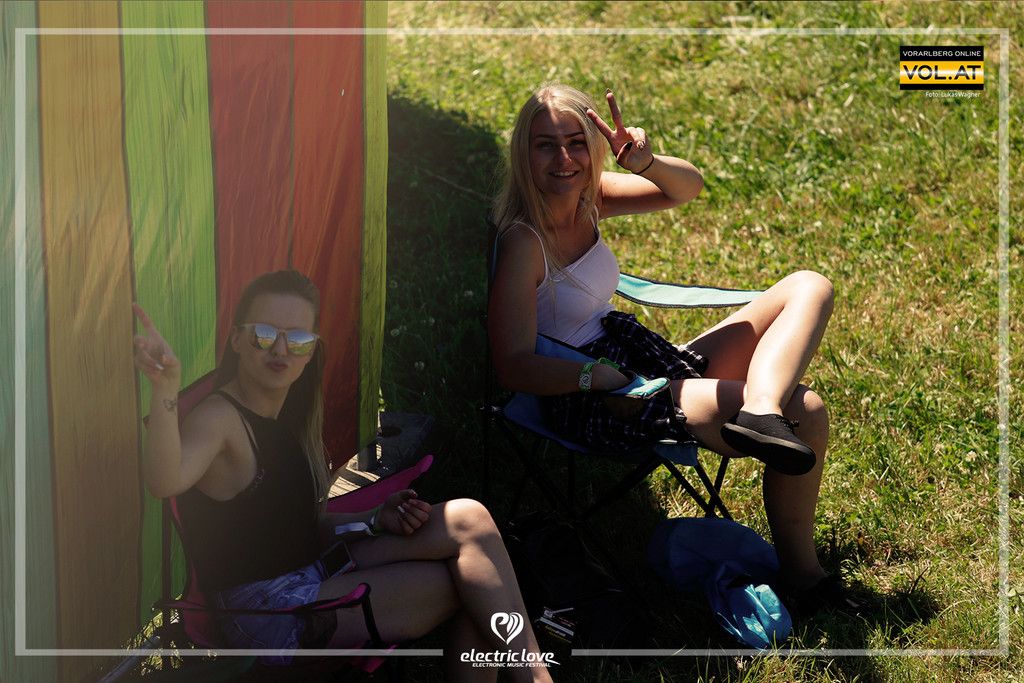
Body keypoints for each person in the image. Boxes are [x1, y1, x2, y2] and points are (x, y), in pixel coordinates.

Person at [488, 83, 851, 611]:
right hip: (593, 391)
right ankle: (804, 575)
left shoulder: (590, 197)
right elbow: (513, 365)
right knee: (809, 410)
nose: (564, 159)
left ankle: (761, 409)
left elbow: (686, 189)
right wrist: (592, 376)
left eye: (575, 142)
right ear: (524, 153)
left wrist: (647, 163)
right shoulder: (524, 242)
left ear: (593, 146)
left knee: (808, 285)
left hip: (636, 356)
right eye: (546, 145)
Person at [134, 270, 553, 682]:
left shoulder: (285, 415)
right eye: (264, 334)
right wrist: (165, 388)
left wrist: (374, 518)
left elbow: (295, 525)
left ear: (311, 350)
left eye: (297, 339)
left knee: (469, 519)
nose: (280, 349)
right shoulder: (220, 418)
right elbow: (164, 480)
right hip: (268, 613)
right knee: (477, 586)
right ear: (237, 340)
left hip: (309, 572)